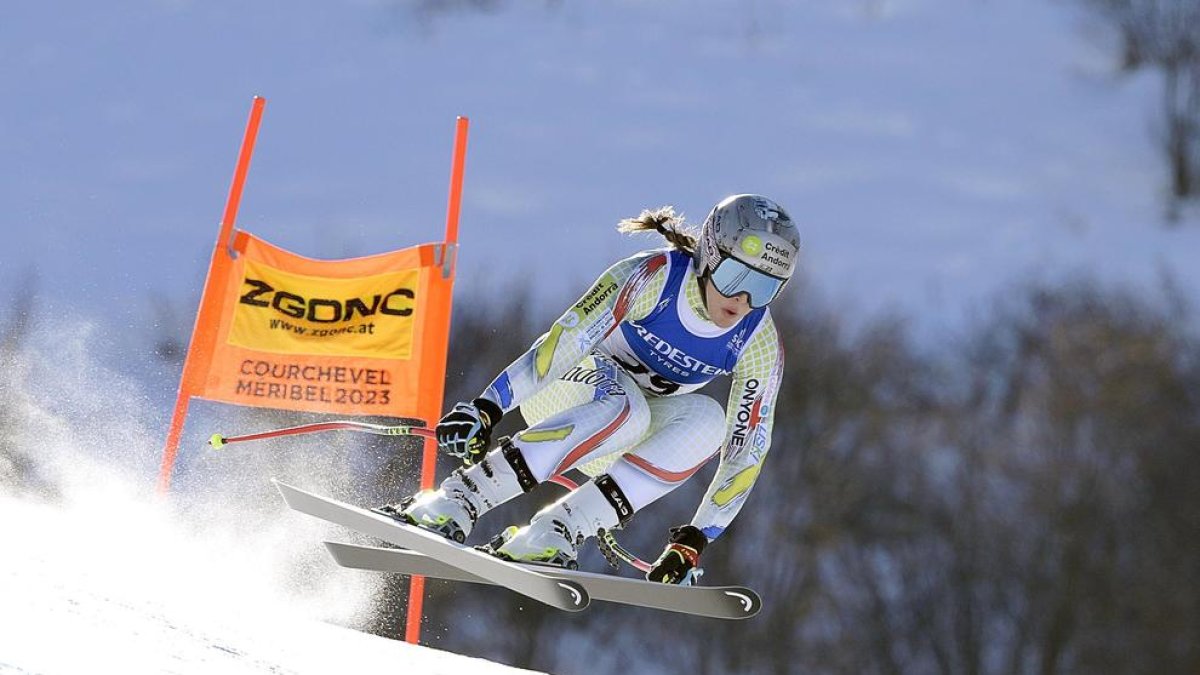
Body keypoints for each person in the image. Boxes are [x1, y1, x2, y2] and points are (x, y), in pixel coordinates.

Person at [375, 194, 797, 584]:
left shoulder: (757, 340)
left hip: (624, 432)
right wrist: (489, 406)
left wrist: (695, 540)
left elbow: (748, 450)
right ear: (710, 256)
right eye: (735, 276)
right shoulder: (654, 278)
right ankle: (459, 497)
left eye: (764, 287)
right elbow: (559, 347)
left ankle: (557, 530)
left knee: (709, 421)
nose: (743, 299)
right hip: (567, 391)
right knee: (627, 410)